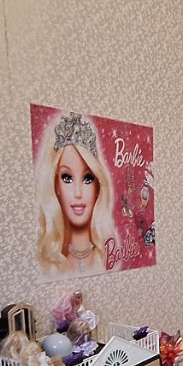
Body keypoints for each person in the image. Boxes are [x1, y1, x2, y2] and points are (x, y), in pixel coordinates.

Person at [34, 112, 116, 277]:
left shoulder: (108, 257)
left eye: (87, 179)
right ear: (55, 185)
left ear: (98, 186)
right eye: (67, 178)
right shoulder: (46, 264)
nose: (78, 193)